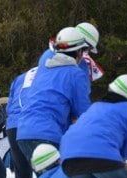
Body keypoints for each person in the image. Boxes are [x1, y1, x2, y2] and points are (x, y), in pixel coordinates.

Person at [16, 26, 91, 163]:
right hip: (47, 135)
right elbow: (84, 113)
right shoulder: (75, 73)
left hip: (23, 133)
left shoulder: (44, 70)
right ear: (79, 52)